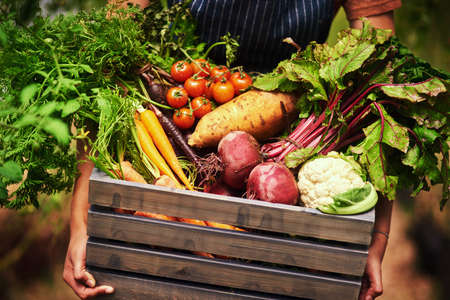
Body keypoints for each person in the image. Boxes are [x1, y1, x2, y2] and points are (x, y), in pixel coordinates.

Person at [63, 1, 400, 299]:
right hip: (181, 132)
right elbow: (107, 72)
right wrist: (80, 222)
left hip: (285, 154)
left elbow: (379, 81)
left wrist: (377, 239)